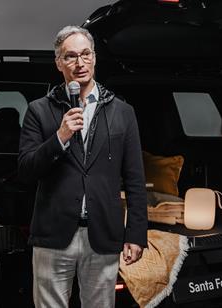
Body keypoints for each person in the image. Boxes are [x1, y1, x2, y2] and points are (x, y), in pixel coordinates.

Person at [18, 25, 147, 308]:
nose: (80, 63)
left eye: (85, 54)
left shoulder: (122, 112)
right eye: (71, 56)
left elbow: (135, 179)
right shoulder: (39, 110)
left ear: (94, 58)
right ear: (59, 63)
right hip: (53, 235)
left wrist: (136, 235)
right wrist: (60, 137)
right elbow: (26, 170)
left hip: (102, 233)